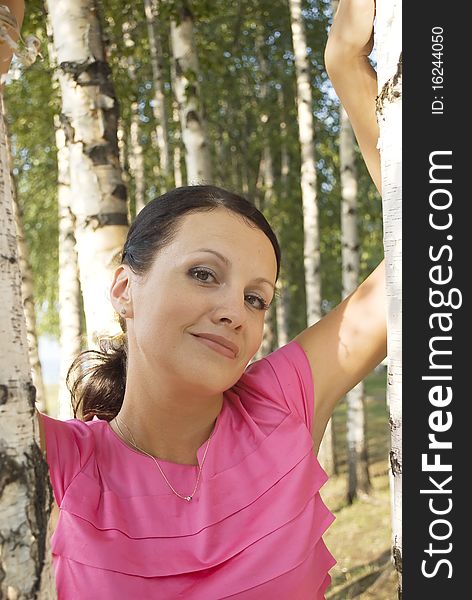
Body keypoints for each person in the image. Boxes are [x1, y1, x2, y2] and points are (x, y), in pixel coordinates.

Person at [4, 0, 386, 598]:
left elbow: (431, 248)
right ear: (126, 290)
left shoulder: (279, 409)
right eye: (205, 275)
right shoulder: (59, 459)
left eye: (257, 299)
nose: (235, 309)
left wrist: (346, 68)